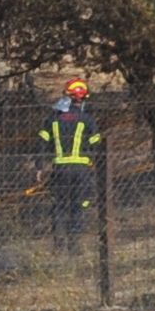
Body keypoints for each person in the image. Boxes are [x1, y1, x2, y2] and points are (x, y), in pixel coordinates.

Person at [43, 78, 99, 244]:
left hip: (60, 169)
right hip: (81, 169)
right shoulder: (87, 119)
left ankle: (59, 240)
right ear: (83, 99)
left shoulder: (53, 119)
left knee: (59, 203)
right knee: (78, 203)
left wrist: (39, 166)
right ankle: (74, 242)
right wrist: (93, 160)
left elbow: (42, 141)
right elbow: (96, 143)